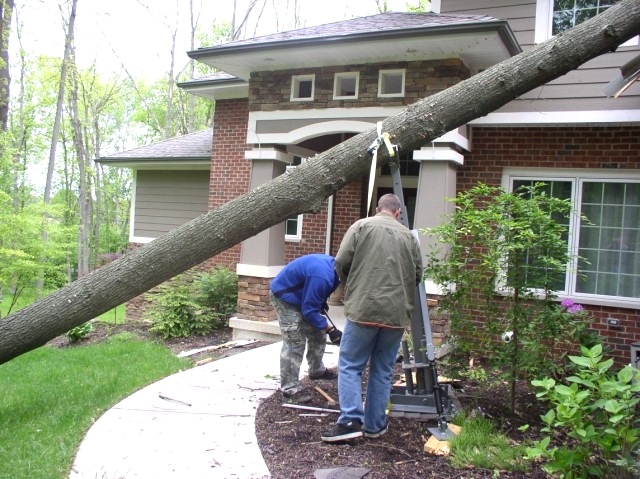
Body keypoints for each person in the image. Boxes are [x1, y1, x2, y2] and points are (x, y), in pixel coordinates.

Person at [321, 194, 423, 442]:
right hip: (395, 316)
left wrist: (352, 287)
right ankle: (375, 426)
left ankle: (349, 422)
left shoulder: (361, 226)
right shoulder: (409, 237)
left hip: (363, 310)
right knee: (382, 371)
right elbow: (418, 274)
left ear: (379, 209)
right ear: (398, 213)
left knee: (351, 366)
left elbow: (342, 261)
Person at [270, 253, 343, 403]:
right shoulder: (322, 276)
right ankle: (290, 389)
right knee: (295, 341)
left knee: (318, 332)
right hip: (284, 297)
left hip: (301, 298)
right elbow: (309, 311)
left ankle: (317, 370)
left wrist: (320, 306)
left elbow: (314, 297)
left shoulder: (335, 269)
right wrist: (331, 329)